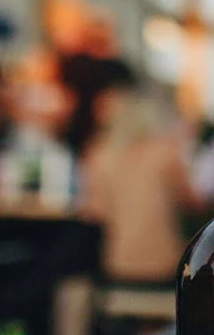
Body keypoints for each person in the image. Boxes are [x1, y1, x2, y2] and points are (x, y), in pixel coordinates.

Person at [77, 80, 202, 282]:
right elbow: (192, 202)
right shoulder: (166, 151)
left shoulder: (99, 154)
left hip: (117, 263)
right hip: (165, 263)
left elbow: (94, 212)